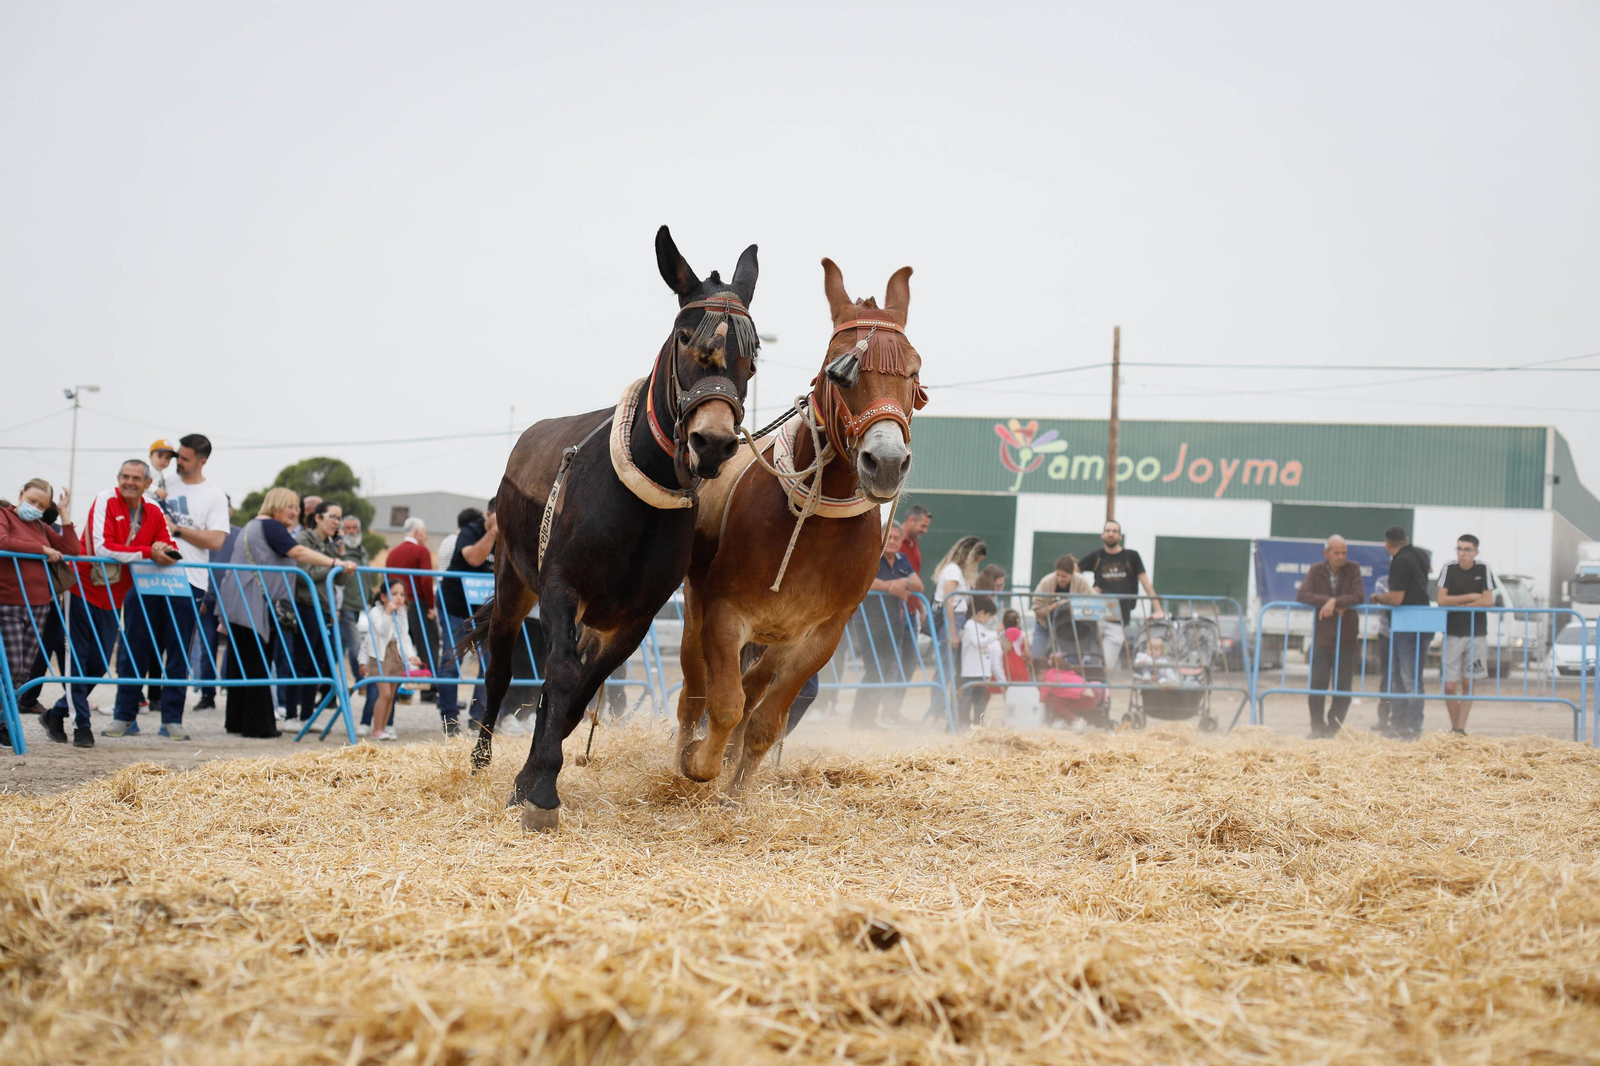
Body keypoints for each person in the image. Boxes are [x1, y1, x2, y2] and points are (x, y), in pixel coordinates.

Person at [46, 461, 178, 747]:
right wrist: (148, 552)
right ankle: (83, 724)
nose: (129, 482)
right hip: (81, 588)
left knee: (99, 665)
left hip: (114, 597)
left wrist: (165, 551)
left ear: (147, 482)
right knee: (77, 661)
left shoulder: (153, 511)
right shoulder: (106, 498)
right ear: (118, 478)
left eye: (135, 478)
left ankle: (56, 713)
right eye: (124, 477)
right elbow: (101, 547)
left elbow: (169, 546)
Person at [216, 488, 351, 738]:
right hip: (253, 602)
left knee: (243, 664)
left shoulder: (254, 525)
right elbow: (297, 552)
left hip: (240, 601)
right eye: (290, 507)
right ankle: (258, 726)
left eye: (297, 508)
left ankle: (238, 721)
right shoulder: (271, 526)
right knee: (257, 663)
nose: (295, 513)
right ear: (276, 504)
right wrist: (335, 562)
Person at [0, 480, 80, 748]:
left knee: (24, 672)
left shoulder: (40, 526)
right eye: (32, 501)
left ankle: (3, 722)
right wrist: (42, 550)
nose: (34, 508)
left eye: (42, 505)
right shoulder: (5, 515)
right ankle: (2, 722)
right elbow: (3, 541)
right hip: (8, 603)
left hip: (38, 605)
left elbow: (71, 549)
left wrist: (65, 513)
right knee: (10, 668)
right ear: (21, 494)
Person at [850, 523, 922, 730]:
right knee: (873, 670)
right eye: (889, 537)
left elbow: (919, 585)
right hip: (869, 622)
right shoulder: (871, 555)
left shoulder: (902, 560)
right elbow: (864, 582)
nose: (892, 542)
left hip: (893, 623)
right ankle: (860, 719)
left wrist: (903, 584)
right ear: (881, 537)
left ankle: (870, 718)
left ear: (901, 542)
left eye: (897, 538)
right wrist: (893, 587)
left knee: (885, 670)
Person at [288, 500, 356, 722]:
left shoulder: (331, 545)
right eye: (333, 517)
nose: (337, 523)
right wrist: (333, 564)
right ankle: (291, 714)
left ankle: (307, 716)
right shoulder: (304, 539)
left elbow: (342, 582)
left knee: (317, 664)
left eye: (339, 518)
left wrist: (340, 555)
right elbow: (303, 573)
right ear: (318, 517)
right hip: (306, 604)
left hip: (325, 607)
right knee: (301, 661)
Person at [1295, 534, 1366, 737]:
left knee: (1343, 687)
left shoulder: (1353, 569)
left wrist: (1334, 602)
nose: (1341, 556)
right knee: (1317, 684)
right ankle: (1316, 728)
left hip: (1347, 637)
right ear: (1326, 553)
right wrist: (1331, 601)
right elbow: (1302, 595)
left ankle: (1333, 729)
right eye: (1336, 553)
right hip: (1323, 638)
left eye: (1344, 552)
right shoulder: (1316, 570)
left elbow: (1359, 595)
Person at [438, 500, 497, 733]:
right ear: (488, 514)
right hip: (454, 606)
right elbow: (474, 558)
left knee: (490, 663)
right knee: (451, 662)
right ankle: (449, 719)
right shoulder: (472, 530)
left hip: (483, 611)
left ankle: (479, 719)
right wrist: (493, 532)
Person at [1370, 526, 1432, 740]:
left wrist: (1377, 598)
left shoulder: (1399, 561)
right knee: (1407, 677)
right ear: (1406, 539)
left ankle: (1409, 727)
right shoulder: (1421, 555)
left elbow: (1396, 598)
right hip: (1420, 622)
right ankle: (1404, 725)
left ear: (1388, 545)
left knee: (1405, 678)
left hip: (1406, 624)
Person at [1078, 519, 1162, 672]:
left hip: (1119, 618)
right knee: (1089, 664)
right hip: (1096, 617)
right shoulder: (1097, 556)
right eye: (1108, 531)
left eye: (1114, 531)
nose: (1111, 534)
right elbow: (1074, 571)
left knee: (1107, 666)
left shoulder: (1131, 557)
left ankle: (1102, 692)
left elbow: (1146, 583)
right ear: (1102, 535)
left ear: (1120, 536)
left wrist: (1157, 609)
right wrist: (1088, 592)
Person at [1436, 534, 1496, 736]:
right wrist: (1470, 598)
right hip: (1453, 633)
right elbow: (1442, 600)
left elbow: (1488, 600)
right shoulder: (1449, 568)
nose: (1463, 553)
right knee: (1450, 685)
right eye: (1460, 549)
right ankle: (1455, 727)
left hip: (1476, 633)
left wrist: (1461, 604)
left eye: (1467, 550)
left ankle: (1459, 729)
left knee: (1469, 682)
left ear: (1476, 552)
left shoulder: (1483, 568)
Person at [358, 580, 421, 742]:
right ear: (384, 597)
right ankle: (376, 729)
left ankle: (383, 728)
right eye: (394, 594)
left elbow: (404, 637)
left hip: (396, 655)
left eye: (401, 594)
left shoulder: (401, 613)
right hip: (379, 656)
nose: (399, 598)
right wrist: (387, 612)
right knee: (384, 693)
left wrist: (411, 656)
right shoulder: (375, 612)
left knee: (391, 695)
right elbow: (382, 631)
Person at [385, 517, 440, 695]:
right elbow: (425, 579)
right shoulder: (421, 551)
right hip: (418, 604)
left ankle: (399, 688)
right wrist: (431, 606)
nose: (425, 537)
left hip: (397, 605)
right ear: (417, 533)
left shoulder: (392, 553)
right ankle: (428, 690)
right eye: (424, 533)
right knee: (427, 647)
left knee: (399, 647)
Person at [335, 515, 375, 724]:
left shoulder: (362, 550)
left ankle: (328, 685)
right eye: (347, 528)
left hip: (360, 602)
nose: (351, 531)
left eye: (354, 527)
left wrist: (370, 597)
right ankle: (361, 679)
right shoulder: (342, 551)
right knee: (354, 643)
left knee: (338, 649)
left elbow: (367, 577)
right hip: (346, 605)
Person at [1031, 555, 1093, 660]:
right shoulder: (1046, 582)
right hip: (1045, 624)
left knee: (1072, 659)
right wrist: (1057, 604)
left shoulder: (1081, 582)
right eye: (1058, 575)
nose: (1060, 579)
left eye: (1064, 576)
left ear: (1072, 574)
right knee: (1037, 657)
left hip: (1071, 628)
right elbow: (1038, 609)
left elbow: (1091, 602)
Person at [933, 536, 987, 653]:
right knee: (947, 661)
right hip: (952, 618)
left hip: (957, 618)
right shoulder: (953, 571)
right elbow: (948, 602)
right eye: (976, 560)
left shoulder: (958, 572)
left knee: (949, 661)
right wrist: (952, 634)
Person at [955, 594, 1000, 728]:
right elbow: (978, 642)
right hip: (970, 671)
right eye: (988, 616)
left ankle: (978, 723)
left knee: (980, 699)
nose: (988, 620)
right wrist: (996, 634)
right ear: (981, 613)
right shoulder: (970, 625)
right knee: (966, 698)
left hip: (981, 671)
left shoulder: (980, 626)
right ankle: (963, 722)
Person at [1372, 574, 1394, 735]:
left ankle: (1400, 718)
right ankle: (1383, 717)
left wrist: (1385, 598)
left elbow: (1384, 600)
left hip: (1406, 635)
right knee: (1387, 677)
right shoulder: (1383, 581)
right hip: (1386, 634)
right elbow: (1381, 606)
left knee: (1403, 678)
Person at [899, 505, 930, 575]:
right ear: (911, 520)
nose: (925, 531)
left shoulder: (914, 543)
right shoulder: (891, 544)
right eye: (923, 526)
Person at [145, 439, 178, 503]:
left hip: (156, 502)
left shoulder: (159, 473)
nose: (163, 461)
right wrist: (155, 490)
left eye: (167, 458)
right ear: (150, 456)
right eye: (159, 456)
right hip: (146, 502)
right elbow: (142, 484)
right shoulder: (147, 470)